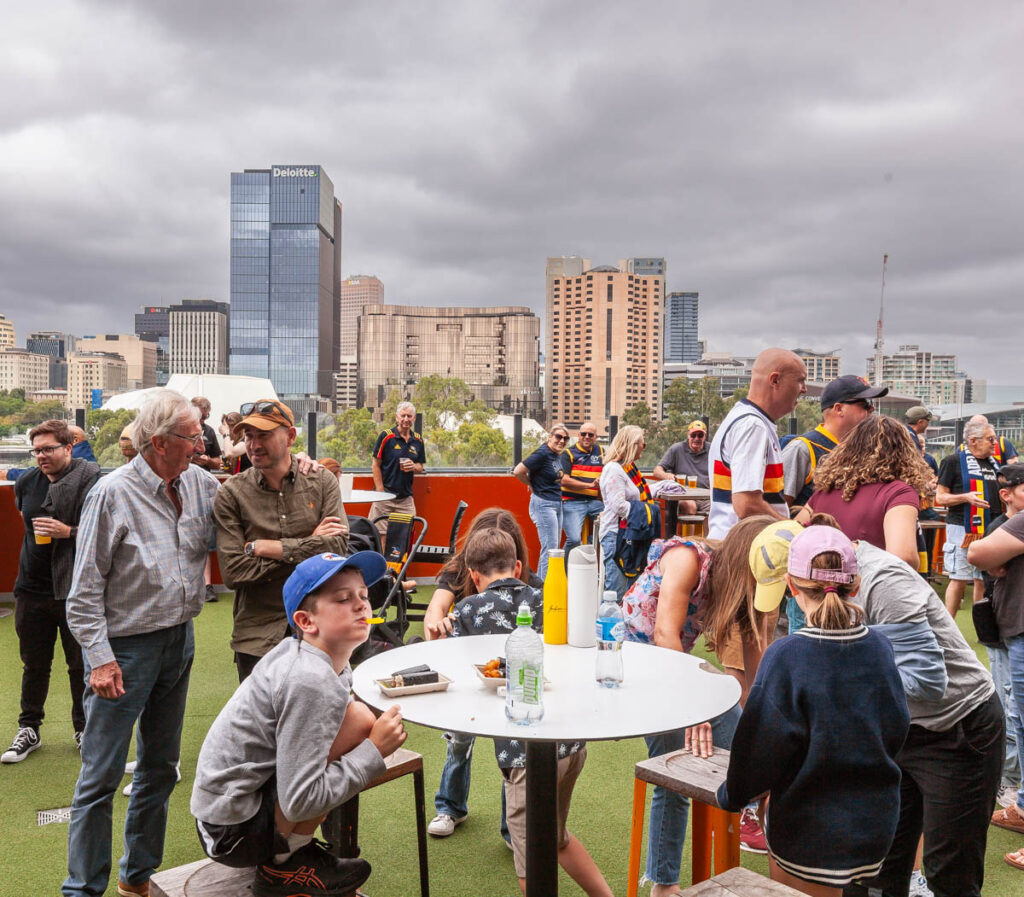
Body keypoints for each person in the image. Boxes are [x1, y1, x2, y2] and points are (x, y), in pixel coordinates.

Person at [756, 512, 1001, 897]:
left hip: (957, 728)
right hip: (896, 732)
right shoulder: (820, 590)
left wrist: (842, 682)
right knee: (872, 869)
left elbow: (928, 683)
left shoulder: (883, 582)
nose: (795, 602)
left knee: (949, 875)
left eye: (793, 592)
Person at [63, 389, 220, 897]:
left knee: (160, 768)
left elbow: (248, 503)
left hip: (179, 641)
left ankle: (136, 879)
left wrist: (303, 467)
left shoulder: (200, 484)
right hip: (124, 650)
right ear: (159, 442)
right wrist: (100, 661)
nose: (201, 444)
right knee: (100, 777)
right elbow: (83, 593)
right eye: (192, 436)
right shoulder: (112, 493)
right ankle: (82, 889)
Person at [191, 550, 405, 897]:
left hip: (233, 814)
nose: (361, 605)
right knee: (361, 723)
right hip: (231, 833)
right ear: (306, 621)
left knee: (357, 718)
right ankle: (283, 866)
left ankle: (292, 850)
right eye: (343, 599)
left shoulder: (319, 661)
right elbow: (301, 801)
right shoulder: (309, 679)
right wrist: (373, 752)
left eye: (364, 595)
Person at [718, 526, 910, 897]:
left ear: (791, 586)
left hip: (808, 829)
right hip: (874, 822)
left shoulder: (786, 655)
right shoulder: (880, 646)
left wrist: (733, 795)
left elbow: (758, 749)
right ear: (855, 585)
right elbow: (896, 726)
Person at [620, 515, 780, 894]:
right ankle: (664, 885)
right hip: (635, 663)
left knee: (750, 748)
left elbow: (755, 663)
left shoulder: (742, 588)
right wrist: (695, 709)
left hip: (675, 665)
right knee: (674, 769)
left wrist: (767, 723)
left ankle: (765, 839)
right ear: (746, 560)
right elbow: (664, 634)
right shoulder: (687, 559)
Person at [450, 528, 613, 897]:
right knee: (556, 838)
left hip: (524, 752)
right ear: (519, 567)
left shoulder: (467, 610)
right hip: (570, 742)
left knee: (530, 860)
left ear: (473, 575)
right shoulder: (549, 599)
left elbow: (458, 673)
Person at [422, 507, 541, 839]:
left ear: (516, 563)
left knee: (515, 748)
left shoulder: (533, 589)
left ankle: (511, 826)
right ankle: (450, 806)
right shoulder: (460, 575)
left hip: (514, 682)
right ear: (473, 569)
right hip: (472, 677)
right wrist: (439, 627)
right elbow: (435, 611)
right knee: (460, 738)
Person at [214, 399, 349, 682]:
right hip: (258, 635)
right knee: (261, 713)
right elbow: (234, 572)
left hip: (321, 629)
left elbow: (337, 549)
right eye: (248, 436)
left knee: (326, 710)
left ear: (290, 437)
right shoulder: (232, 494)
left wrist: (270, 548)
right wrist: (310, 544)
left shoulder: (322, 481)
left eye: (263, 435)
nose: (253, 445)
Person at [1, 420, 99, 764]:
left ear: (68, 448)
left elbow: (104, 531)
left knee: (79, 665)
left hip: (75, 589)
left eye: (48, 449)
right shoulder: (27, 482)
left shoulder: (92, 479)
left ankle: (84, 729)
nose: (41, 456)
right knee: (34, 664)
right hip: (31, 588)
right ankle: (29, 729)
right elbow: (24, 517)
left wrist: (67, 531)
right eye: (37, 450)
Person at [968, 464, 1024, 872]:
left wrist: (997, 557)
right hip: (1013, 629)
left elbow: (978, 554)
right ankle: (1021, 807)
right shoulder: (1009, 521)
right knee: (1017, 718)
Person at [796, 416, 931, 570]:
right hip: (866, 582)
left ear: (849, 448)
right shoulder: (899, 493)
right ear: (905, 452)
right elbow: (904, 557)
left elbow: (793, 533)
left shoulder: (826, 489)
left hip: (817, 580)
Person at [707, 348, 807, 540]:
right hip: (743, 548)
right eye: (800, 380)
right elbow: (746, 504)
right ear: (775, 380)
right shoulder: (753, 426)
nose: (804, 389)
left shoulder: (743, 418)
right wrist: (794, 531)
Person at [782, 375, 887, 507]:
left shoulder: (863, 450)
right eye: (865, 404)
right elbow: (778, 508)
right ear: (839, 409)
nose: (871, 409)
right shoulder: (803, 448)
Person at [936, 417, 1004, 616]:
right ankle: (948, 627)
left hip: (991, 528)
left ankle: (980, 625)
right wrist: (965, 497)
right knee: (959, 578)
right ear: (974, 441)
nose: (995, 443)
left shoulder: (995, 465)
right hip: (962, 529)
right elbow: (940, 497)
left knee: (983, 579)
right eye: (990, 439)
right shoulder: (953, 461)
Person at [597, 425, 652, 598]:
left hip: (629, 535)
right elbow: (618, 505)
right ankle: (609, 617)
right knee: (616, 592)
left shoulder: (627, 469)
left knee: (630, 592)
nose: (644, 448)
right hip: (616, 535)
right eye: (643, 444)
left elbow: (634, 494)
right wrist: (647, 512)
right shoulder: (614, 469)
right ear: (632, 444)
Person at [513, 422, 570, 579]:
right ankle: (544, 588)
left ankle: (540, 584)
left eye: (565, 439)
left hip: (557, 503)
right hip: (544, 504)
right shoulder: (543, 453)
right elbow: (518, 471)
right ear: (550, 437)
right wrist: (531, 484)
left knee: (553, 548)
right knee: (550, 550)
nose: (562, 441)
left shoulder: (555, 455)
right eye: (558, 437)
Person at [369, 401, 425, 539]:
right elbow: (375, 464)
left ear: (414, 418)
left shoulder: (418, 440)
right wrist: (380, 493)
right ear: (396, 417)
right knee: (381, 536)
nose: (406, 419)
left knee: (405, 538)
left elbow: (420, 466)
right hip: (385, 497)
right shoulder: (386, 436)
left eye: (409, 416)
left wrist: (413, 466)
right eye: (403, 415)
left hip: (405, 498)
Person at [560, 422, 605, 560]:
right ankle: (564, 568)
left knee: (615, 525)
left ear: (595, 437)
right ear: (578, 435)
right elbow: (564, 480)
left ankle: (590, 544)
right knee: (574, 539)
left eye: (590, 434)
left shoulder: (601, 451)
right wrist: (590, 485)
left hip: (594, 503)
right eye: (583, 434)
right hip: (572, 502)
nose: (586, 437)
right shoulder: (568, 454)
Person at [650, 420, 710, 515]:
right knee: (689, 506)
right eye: (693, 435)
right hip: (684, 495)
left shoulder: (712, 449)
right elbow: (657, 471)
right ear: (688, 435)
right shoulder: (677, 449)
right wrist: (667, 476)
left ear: (705, 436)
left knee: (722, 509)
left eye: (700, 435)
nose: (696, 438)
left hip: (707, 496)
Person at [190, 396, 223, 472]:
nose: (201, 420)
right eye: (199, 416)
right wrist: (190, 457)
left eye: (205, 417)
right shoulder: (180, 429)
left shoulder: (209, 431)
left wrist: (208, 460)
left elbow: (218, 463)